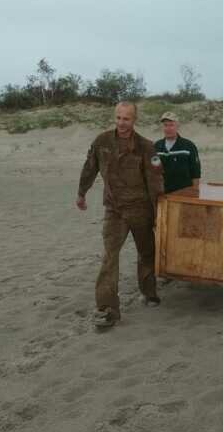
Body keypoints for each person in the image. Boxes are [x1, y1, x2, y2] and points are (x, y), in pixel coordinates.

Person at [76, 101, 164, 328]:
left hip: (140, 210)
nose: (121, 123)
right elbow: (89, 168)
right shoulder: (102, 142)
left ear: (134, 120)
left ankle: (149, 292)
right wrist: (81, 193)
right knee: (109, 257)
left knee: (146, 254)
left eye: (126, 119)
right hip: (114, 210)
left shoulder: (147, 147)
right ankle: (106, 309)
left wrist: (158, 214)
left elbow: (155, 183)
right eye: (118, 118)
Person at [154, 111, 201, 194]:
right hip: (162, 193)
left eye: (171, 125)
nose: (168, 128)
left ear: (177, 126)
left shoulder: (188, 146)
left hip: (183, 193)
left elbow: (196, 172)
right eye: (165, 125)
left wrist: (195, 191)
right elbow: (153, 169)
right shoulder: (156, 146)